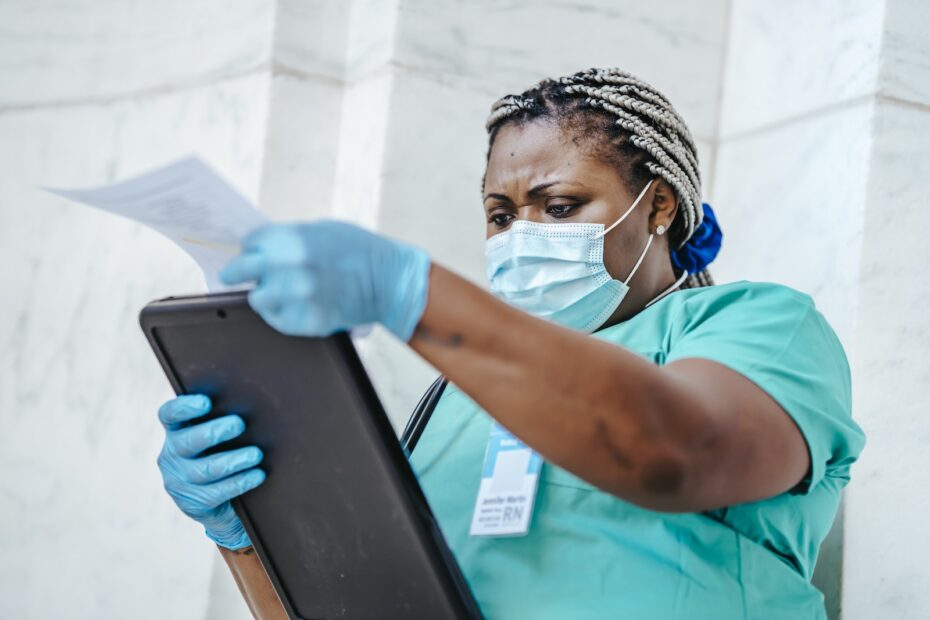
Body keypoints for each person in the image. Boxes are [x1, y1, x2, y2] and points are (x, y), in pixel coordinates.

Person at [155, 68, 865, 619]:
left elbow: (676, 453)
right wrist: (246, 529)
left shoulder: (758, 323)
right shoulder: (454, 396)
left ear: (659, 205)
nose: (523, 235)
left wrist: (411, 291)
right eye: (501, 215)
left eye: (559, 207)